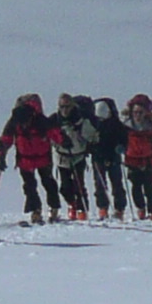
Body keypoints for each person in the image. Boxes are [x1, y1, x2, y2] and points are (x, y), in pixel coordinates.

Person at [0, 92, 61, 223]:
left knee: (36, 185)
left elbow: (6, 139)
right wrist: (1, 156)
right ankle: (46, 209)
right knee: (40, 184)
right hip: (37, 158)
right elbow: (56, 134)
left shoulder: (18, 121)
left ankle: (42, 210)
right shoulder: (39, 119)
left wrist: (1, 155)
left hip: (29, 159)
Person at [51, 91, 97, 219]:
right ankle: (72, 204)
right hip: (62, 157)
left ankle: (82, 209)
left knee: (79, 184)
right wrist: (59, 142)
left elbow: (91, 135)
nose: (64, 110)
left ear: (72, 106)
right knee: (64, 187)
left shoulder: (80, 119)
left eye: (67, 106)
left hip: (78, 156)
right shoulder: (54, 120)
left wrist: (91, 144)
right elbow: (49, 136)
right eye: (62, 107)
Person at [87, 97, 132, 218]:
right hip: (99, 157)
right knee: (101, 184)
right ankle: (103, 208)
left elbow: (124, 138)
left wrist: (122, 146)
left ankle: (118, 208)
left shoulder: (116, 125)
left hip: (112, 157)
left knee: (116, 184)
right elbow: (88, 139)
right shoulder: (94, 124)